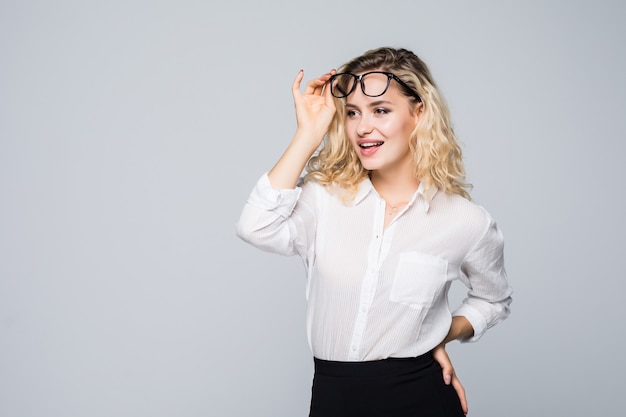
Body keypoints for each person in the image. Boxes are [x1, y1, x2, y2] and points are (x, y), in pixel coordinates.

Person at [236, 46, 512, 417]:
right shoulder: (324, 198)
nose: (363, 127)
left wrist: (441, 334)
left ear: (419, 113)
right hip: (334, 398)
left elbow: (494, 299)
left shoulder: (466, 221)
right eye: (352, 113)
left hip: (422, 398)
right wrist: (308, 135)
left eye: (381, 110)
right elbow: (255, 226)